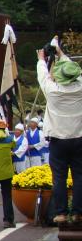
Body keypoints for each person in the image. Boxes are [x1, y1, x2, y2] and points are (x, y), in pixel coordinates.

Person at [36, 40, 82, 224]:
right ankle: (78, 212)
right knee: (79, 176)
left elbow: (42, 75)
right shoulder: (80, 88)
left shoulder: (52, 90)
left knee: (59, 178)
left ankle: (61, 212)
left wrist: (41, 58)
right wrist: (61, 53)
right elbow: (75, 73)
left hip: (57, 140)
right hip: (79, 138)